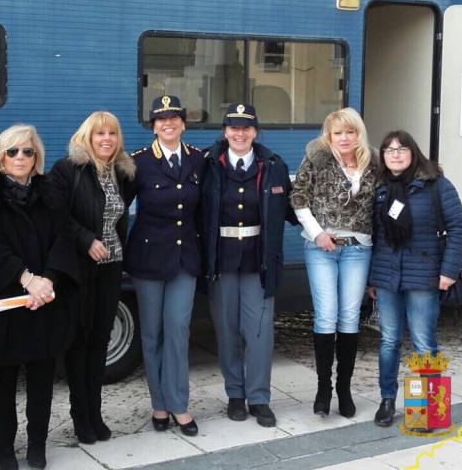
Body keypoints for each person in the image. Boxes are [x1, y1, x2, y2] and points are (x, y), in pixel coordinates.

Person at [0, 124, 78, 470]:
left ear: (36, 157)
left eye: (27, 151)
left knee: (42, 381)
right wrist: (26, 278)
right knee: (2, 384)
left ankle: (37, 446)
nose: (20, 157)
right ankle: (4, 451)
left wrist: (47, 281)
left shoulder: (50, 195)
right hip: (6, 303)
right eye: (13, 151)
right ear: (0, 157)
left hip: (44, 302)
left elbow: (64, 239)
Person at [201, 103, 295, 428]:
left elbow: (295, 208)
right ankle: (236, 396)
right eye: (233, 127)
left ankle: (259, 398)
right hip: (222, 260)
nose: (239, 133)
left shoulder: (274, 165)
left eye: (246, 128)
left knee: (259, 333)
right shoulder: (208, 163)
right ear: (225, 131)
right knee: (227, 332)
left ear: (255, 131)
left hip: (259, 261)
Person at [45, 111, 136, 444]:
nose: (107, 139)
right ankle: (79, 415)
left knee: (100, 341)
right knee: (79, 343)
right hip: (78, 270)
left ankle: (94, 412)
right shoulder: (68, 169)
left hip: (111, 267)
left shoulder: (123, 174)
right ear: (87, 136)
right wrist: (85, 240)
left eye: (112, 133)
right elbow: (54, 214)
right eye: (99, 133)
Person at [368, 130, 462, 428]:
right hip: (387, 278)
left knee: (424, 343)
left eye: (401, 149)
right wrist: (372, 278)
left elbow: (458, 228)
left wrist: (449, 271)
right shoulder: (379, 188)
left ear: (413, 152)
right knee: (388, 341)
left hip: (424, 276)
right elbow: (375, 236)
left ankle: (428, 410)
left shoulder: (436, 185)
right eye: (388, 150)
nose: (395, 154)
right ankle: (387, 400)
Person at [126, 95, 204, 436]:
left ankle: (180, 405)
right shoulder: (137, 163)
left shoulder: (199, 160)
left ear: (183, 124)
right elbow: (116, 208)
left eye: (174, 118)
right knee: (152, 334)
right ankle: (159, 405)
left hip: (185, 259)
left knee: (178, 330)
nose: (167, 124)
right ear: (153, 126)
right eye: (160, 119)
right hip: (147, 259)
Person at [289, 108, 376, 418]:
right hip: (322, 248)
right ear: (329, 135)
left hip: (359, 249)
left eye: (349, 132)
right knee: (326, 317)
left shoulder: (372, 163)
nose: (344, 138)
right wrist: (316, 234)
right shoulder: (316, 159)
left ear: (358, 134)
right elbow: (298, 198)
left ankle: (344, 389)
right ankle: (323, 388)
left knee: (349, 317)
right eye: (338, 133)